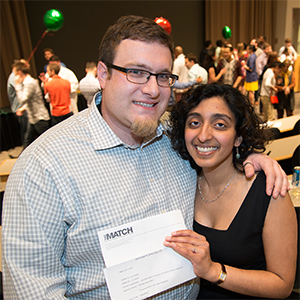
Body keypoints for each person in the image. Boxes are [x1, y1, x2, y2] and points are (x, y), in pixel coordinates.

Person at [2, 15, 288, 300]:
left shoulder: (175, 139)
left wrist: (250, 156)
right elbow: (33, 290)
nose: (152, 90)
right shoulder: (43, 166)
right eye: (136, 72)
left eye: (162, 76)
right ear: (103, 74)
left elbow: (213, 141)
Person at [165, 84, 297, 299]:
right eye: (195, 123)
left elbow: (282, 285)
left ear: (238, 137)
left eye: (220, 125)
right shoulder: (182, 182)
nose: (204, 135)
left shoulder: (268, 191)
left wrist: (213, 271)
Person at [13, 61, 50, 149]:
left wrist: (17, 85)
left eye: (14, 73)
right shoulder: (27, 82)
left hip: (39, 118)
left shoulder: (29, 83)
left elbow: (23, 99)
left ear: (19, 72)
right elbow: (31, 100)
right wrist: (24, 108)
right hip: (33, 118)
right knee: (27, 141)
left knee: (46, 143)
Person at [7, 59, 28, 146]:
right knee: (25, 132)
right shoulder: (14, 77)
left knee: (27, 132)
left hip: (21, 107)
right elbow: (21, 89)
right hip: (20, 108)